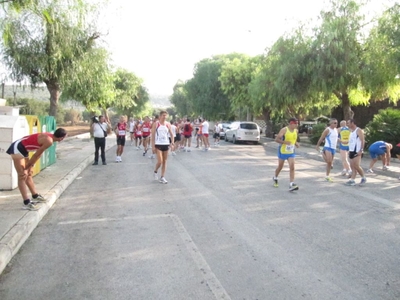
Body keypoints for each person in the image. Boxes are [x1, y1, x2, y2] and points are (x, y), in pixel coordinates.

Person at [6, 128, 67, 210]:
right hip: (17, 148)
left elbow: (39, 154)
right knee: (22, 175)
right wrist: (28, 166)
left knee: (29, 174)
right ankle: (26, 202)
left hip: (24, 148)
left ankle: (35, 196)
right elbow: (36, 155)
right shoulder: (49, 141)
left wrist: (30, 166)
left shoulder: (49, 136)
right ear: (61, 138)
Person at [273, 118, 300, 191]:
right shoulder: (284, 130)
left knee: (292, 167)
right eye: (295, 123)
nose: (297, 125)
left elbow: (293, 140)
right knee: (280, 166)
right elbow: (276, 139)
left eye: (297, 123)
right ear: (291, 123)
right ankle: (275, 177)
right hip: (283, 151)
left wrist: (296, 143)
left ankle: (291, 184)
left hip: (291, 152)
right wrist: (284, 142)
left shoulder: (296, 131)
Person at [152, 110, 174, 184]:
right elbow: (153, 136)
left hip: (166, 144)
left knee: (165, 161)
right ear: (160, 116)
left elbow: (171, 134)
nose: (164, 117)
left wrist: (172, 143)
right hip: (158, 144)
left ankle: (162, 177)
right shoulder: (156, 124)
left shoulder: (168, 124)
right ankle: (155, 171)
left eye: (165, 115)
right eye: (163, 115)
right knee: (160, 161)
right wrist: (153, 146)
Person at [345, 119, 366, 186]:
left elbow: (362, 140)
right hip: (351, 151)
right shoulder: (351, 131)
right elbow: (351, 142)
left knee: (356, 166)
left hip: (357, 151)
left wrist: (361, 150)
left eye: (348, 123)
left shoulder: (358, 130)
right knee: (352, 167)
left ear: (353, 123)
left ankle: (363, 177)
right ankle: (352, 180)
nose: (347, 124)